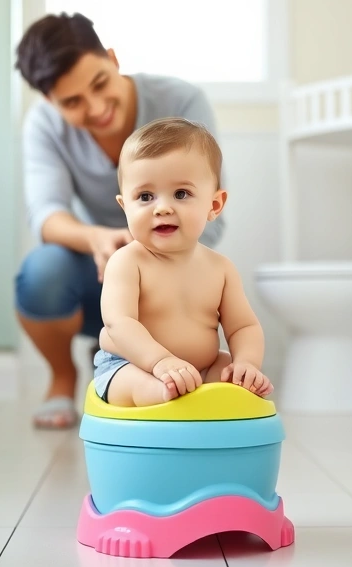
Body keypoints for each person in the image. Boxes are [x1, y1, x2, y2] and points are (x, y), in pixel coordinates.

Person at [14, 12, 225, 427]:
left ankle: (121, 354)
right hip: (99, 271)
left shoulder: (181, 102)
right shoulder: (44, 126)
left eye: (99, 84)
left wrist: (152, 254)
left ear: (112, 58)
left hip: (170, 283)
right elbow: (46, 214)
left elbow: (211, 220)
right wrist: (97, 239)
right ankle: (64, 376)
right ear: (49, 102)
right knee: (42, 273)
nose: (96, 108)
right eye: (72, 103)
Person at [94, 117, 273, 406]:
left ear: (214, 206)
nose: (162, 208)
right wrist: (160, 362)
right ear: (124, 206)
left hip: (201, 369)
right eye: (145, 196)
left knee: (232, 380)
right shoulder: (127, 262)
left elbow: (243, 327)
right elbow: (119, 322)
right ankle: (167, 398)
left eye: (181, 194)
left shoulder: (220, 269)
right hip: (132, 365)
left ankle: (206, 404)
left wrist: (247, 364)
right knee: (139, 386)